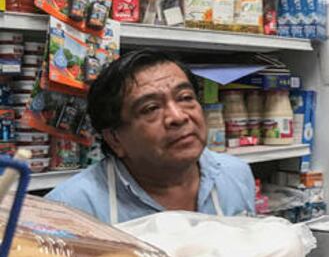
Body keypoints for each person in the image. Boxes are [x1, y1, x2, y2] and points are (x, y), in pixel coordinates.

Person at [47, 50, 255, 223]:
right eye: (151, 108)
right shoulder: (69, 209)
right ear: (115, 139)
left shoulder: (236, 175)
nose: (178, 116)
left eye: (185, 98)